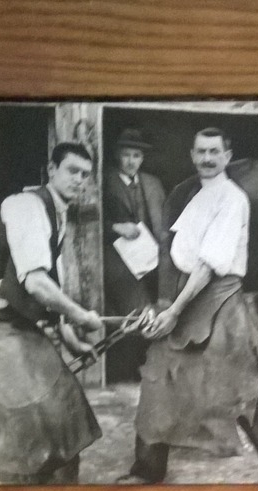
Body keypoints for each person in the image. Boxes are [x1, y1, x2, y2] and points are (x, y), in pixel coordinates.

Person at [123, 126, 258, 484]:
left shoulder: (231, 199)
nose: (206, 158)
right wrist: (163, 305)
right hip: (190, 297)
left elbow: (207, 264)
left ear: (227, 156)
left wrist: (173, 311)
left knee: (242, 391)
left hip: (220, 301)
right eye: (201, 151)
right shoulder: (194, 195)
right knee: (159, 377)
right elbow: (176, 255)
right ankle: (147, 468)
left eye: (214, 152)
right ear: (192, 155)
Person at [0, 141, 102, 484]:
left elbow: (44, 299)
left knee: (68, 416)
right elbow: (37, 284)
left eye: (85, 174)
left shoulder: (57, 215)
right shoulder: (26, 206)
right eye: (71, 171)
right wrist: (83, 317)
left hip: (19, 325)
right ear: (51, 170)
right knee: (28, 428)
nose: (79, 180)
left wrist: (70, 339)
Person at [103, 128, 165, 383]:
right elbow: (86, 221)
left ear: (142, 158)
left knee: (157, 308)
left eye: (136, 155)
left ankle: (152, 368)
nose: (131, 161)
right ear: (118, 155)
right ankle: (127, 372)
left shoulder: (152, 183)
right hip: (118, 260)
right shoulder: (105, 181)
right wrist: (114, 227)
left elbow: (165, 220)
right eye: (126, 155)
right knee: (133, 312)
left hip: (152, 259)